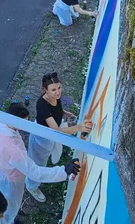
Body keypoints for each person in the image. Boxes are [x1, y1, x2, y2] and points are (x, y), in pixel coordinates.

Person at [0, 102, 81, 224]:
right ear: (16, 121)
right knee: (11, 203)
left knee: (2, 194)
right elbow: (35, 172)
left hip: (0, 165)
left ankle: (4, 218)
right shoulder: (13, 148)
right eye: (23, 123)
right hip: (12, 177)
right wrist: (64, 171)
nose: (24, 127)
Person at [27, 72, 93, 202]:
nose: (58, 92)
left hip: (51, 133)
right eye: (53, 90)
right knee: (38, 163)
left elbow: (56, 109)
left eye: (59, 88)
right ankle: (31, 186)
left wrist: (65, 113)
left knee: (50, 153)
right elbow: (56, 131)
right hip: (43, 137)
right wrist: (78, 128)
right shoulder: (42, 105)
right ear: (45, 90)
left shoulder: (53, 96)